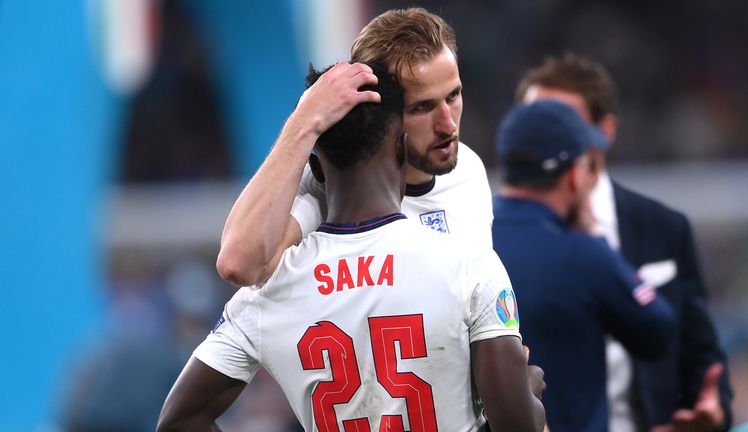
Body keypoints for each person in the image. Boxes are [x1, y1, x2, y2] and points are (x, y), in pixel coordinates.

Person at [157, 64, 546, 432]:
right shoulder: (469, 265)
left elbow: (178, 421)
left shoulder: (266, 293)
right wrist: (527, 393)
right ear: (401, 149)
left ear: (318, 169)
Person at [516, 54, 733, 431]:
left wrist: (715, 411)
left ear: (606, 131)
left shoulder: (663, 228)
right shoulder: (494, 238)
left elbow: (702, 357)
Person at [215, 7, 493, 288]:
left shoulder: (470, 170)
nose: (448, 125)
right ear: (380, 111)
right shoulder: (333, 187)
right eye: (422, 107)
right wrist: (303, 121)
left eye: (453, 96)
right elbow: (237, 264)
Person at [491, 100, 676, 432]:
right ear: (574, 175)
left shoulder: (469, 239)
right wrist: (597, 239)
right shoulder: (584, 255)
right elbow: (658, 331)